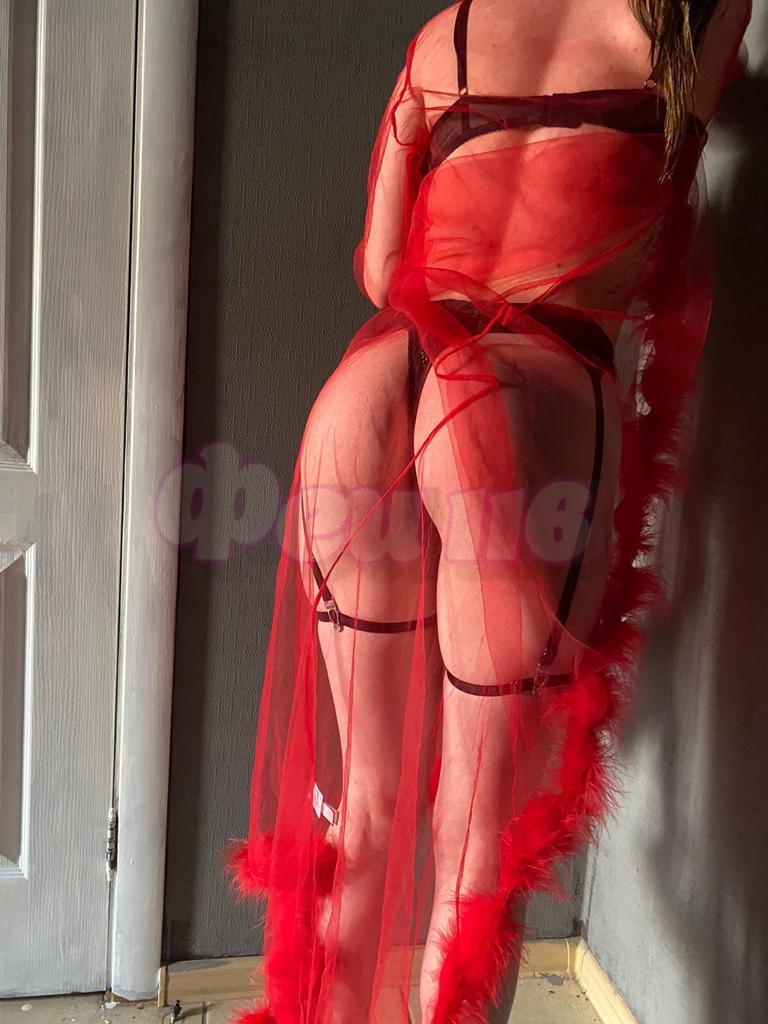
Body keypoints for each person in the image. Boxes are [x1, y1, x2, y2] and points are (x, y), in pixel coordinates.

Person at [222, 2, 751, 1023]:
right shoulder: (680, 24)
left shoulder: (443, 39)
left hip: (377, 386)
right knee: (474, 859)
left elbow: (381, 270)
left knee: (360, 817)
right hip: (525, 398)